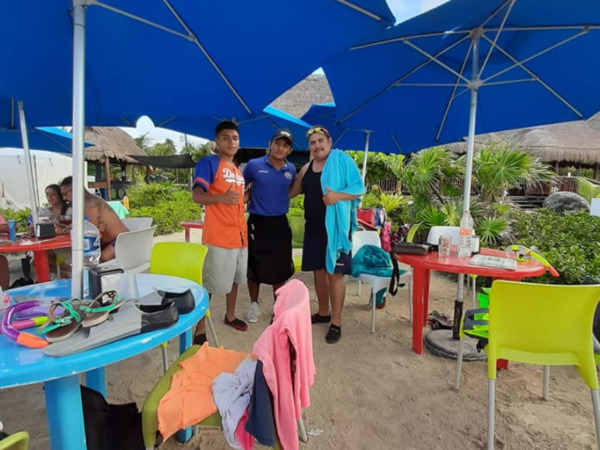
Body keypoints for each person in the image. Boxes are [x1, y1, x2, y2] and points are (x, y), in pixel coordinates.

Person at [289, 126, 365, 344]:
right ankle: (323, 312)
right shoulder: (307, 168)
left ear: (329, 141)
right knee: (319, 271)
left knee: (335, 274)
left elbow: (359, 188)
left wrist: (337, 197)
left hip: (336, 230)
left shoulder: (342, 161)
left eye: (320, 141)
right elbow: (292, 192)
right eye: (312, 143)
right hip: (313, 228)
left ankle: (336, 322)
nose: (317, 146)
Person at [192, 121, 248, 345]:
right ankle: (199, 327)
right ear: (217, 141)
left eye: (235, 138)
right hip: (218, 237)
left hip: (240, 236)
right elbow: (197, 195)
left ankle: (230, 315)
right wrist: (221, 198)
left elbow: (236, 201)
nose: (231, 142)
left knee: (234, 280)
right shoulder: (209, 163)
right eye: (225, 138)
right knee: (210, 284)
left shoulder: (237, 171)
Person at [243, 129, 296, 323]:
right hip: (257, 222)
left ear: (289, 150)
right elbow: (241, 187)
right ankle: (254, 304)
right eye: (277, 143)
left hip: (280, 223)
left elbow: (289, 191)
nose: (280, 148)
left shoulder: (291, 170)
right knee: (253, 267)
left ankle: (278, 308)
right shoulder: (253, 165)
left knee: (280, 268)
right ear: (270, 144)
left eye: (285, 145)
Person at [59, 176, 128, 262]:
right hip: (109, 241)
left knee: (99, 258)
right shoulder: (86, 201)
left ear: (75, 189)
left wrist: (63, 231)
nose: (64, 198)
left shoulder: (89, 204)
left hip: (120, 240)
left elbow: (89, 230)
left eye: (65, 194)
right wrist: (67, 227)